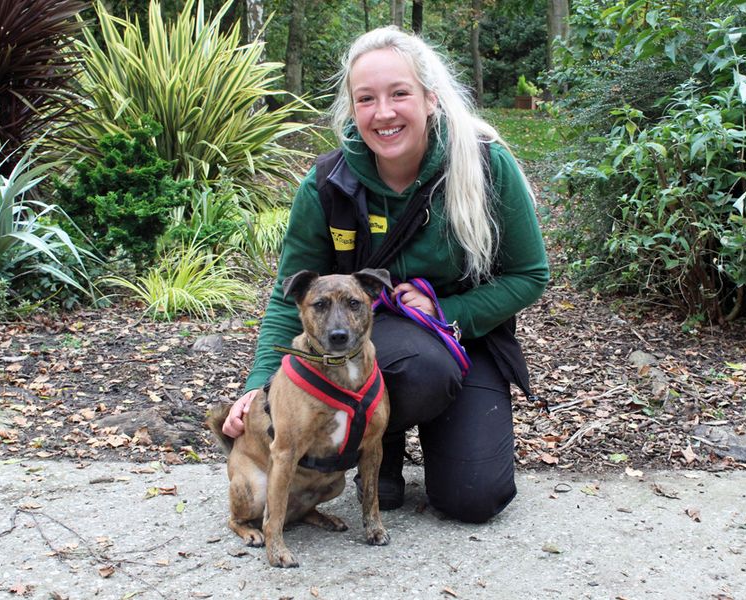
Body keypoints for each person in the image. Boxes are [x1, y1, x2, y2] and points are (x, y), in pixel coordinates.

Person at [222, 26, 549, 524]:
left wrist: (447, 309)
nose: (384, 112)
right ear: (352, 109)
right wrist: (260, 385)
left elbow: (529, 274)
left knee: (474, 498)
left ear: (430, 98)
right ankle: (382, 444)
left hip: (467, 337)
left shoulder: (484, 163)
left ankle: (415, 434)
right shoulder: (328, 183)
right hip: (374, 343)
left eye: (399, 94)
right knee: (417, 365)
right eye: (366, 99)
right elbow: (289, 295)